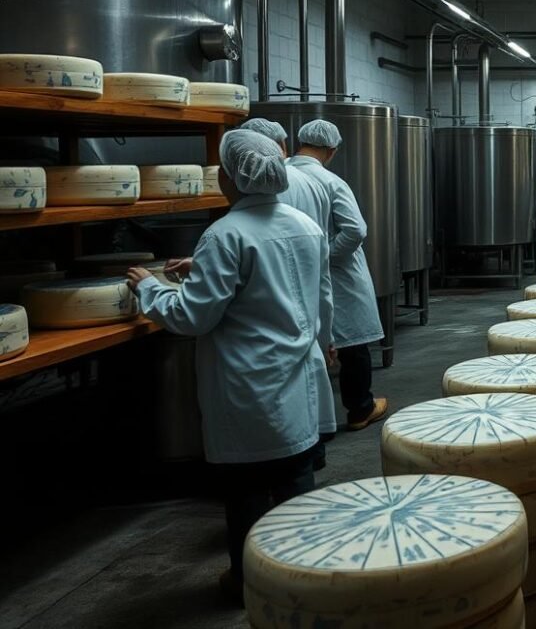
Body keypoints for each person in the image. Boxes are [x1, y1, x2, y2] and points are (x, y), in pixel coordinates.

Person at [126, 129, 332, 605]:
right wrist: (201, 269)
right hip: (298, 375)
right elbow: (310, 293)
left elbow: (193, 317)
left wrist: (149, 289)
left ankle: (248, 581)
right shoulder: (305, 225)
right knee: (296, 480)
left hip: (249, 383)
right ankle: (308, 574)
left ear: (230, 177)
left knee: (247, 492)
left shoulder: (223, 235)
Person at [247, 118, 338, 465]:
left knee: (280, 403)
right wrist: (327, 334)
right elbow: (323, 273)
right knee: (308, 385)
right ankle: (311, 454)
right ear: (283, 145)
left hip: (270, 316)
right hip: (309, 304)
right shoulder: (314, 184)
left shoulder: (234, 228)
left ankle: (295, 462)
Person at [289, 119, 388, 432]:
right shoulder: (330, 181)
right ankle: (360, 408)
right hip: (337, 273)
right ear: (331, 150)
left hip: (292, 270)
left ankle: (308, 418)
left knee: (304, 341)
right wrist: (326, 254)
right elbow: (355, 229)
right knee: (353, 343)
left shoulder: (281, 175)